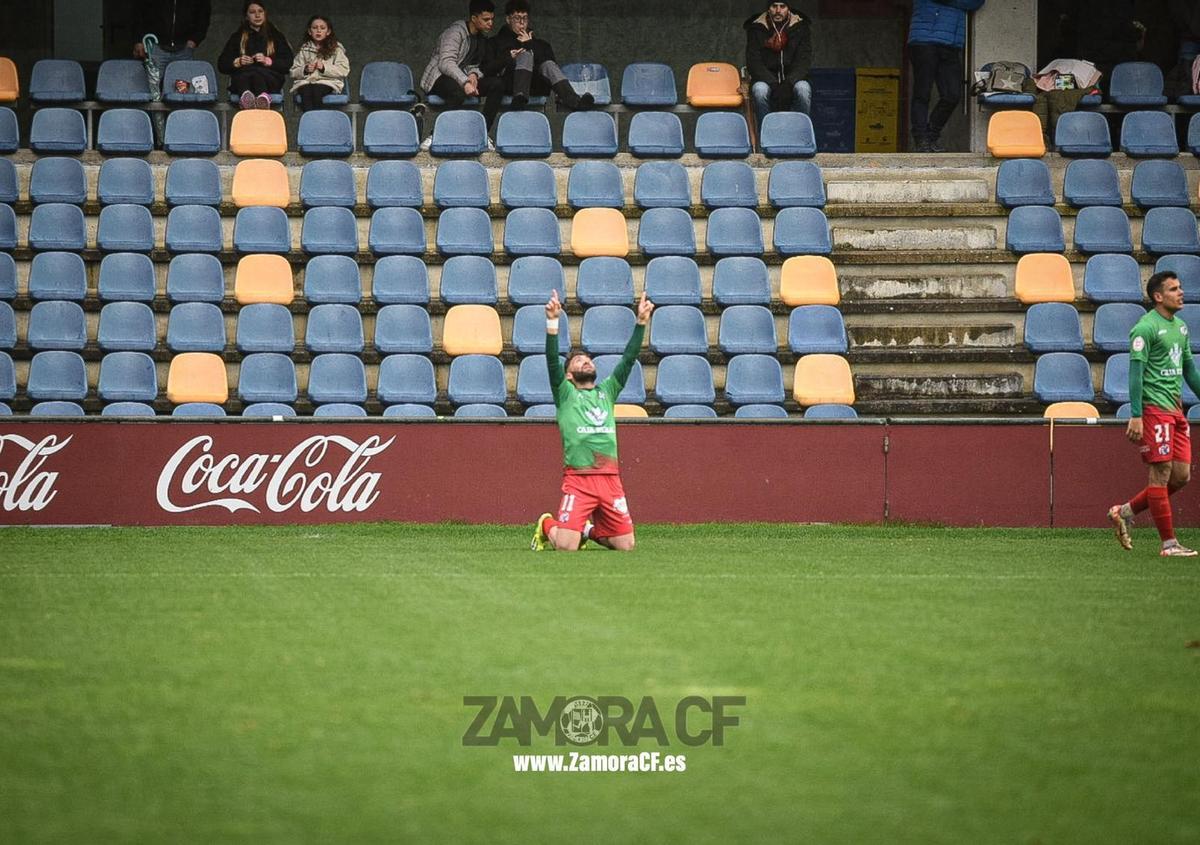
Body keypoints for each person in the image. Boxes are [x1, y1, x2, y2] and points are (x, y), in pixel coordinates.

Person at [531, 290, 654, 553]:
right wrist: (552, 322)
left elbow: (628, 360)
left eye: (587, 360)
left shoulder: (607, 391)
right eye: (578, 361)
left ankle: (586, 529)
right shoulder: (565, 395)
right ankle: (546, 525)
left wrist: (641, 323)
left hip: (610, 478)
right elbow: (552, 362)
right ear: (568, 376)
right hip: (579, 479)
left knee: (626, 545)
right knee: (566, 546)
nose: (585, 362)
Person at [1109, 271, 1200, 556]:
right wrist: (1136, 414)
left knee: (1181, 476)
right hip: (1153, 409)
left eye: (1180, 288)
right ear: (1158, 297)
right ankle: (1169, 544)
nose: (1181, 292)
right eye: (1174, 289)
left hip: (1175, 410)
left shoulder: (1181, 328)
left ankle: (1124, 511)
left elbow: (1189, 370)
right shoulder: (1145, 328)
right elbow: (1135, 373)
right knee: (1160, 475)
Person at [481, 0, 593, 111]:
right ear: (508, 19)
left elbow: (549, 66)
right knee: (525, 55)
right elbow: (486, 70)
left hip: (535, 85)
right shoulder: (494, 42)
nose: (521, 23)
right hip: (509, 84)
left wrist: (529, 44)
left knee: (547, 63)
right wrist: (508, 58)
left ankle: (575, 102)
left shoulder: (541, 44)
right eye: (517, 18)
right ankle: (519, 97)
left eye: (524, 18)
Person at [420, 0, 506, 143]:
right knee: (458, 94)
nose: (490, 23)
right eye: (486, 19)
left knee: (497, 84)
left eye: (492, 19)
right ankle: (435, 136)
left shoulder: (481, 39)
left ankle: (482, 133)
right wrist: (465, 82)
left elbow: (473, 64)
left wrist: (473, 75)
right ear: (473, 18)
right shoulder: (455, 32)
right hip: (438, 78)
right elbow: (445, 62)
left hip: (460, 78)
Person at [907, 0, 985, 152]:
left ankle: (930, 135)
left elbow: (975, 3)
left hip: (951, 45)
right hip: (924, 41)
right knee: (922, 94)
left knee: (952, 95)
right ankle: (921, 138)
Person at [131, 0, 211, 140]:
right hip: (156, 46)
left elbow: (204, 15)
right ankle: (158, 139)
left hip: (184, 48)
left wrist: (195, 39)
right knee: (154, 94)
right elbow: (139, 12)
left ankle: (182, 137)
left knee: (184, 93)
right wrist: (139, 39)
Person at [743, 1, 813, 133]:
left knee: (803, 89)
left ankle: (800, 135)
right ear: (768, 8)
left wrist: (788, 83)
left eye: (782, 6)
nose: (778, 10)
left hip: (793, 79)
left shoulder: (801, 27)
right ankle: (767, 135)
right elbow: (753, 62)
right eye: (774, 6)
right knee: (759, 90)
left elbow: (804, 61)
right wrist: (773, 84)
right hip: (766, 79)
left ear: (788, 8)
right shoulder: (756, 27)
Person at [217, 1, 294, 110]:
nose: (257, 15)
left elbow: (289, 63)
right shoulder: (238, 37)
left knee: (257, 73)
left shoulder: (276, 36)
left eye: (260, 11)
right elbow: (222, 64)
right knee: (246, 74)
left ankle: (260, 99)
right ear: (246, 16)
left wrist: (269, 61)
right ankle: (248, 98)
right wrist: (238, 61)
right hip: (244, 80)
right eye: (252, 12)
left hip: (269, 79)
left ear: (265, 14)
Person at [290, 15, 350, 112]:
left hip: (327, 82)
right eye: (315, 28)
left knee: (317, 90)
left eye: (322, 28)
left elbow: (343, 69)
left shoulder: (336, 49)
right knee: (305, 91)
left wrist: (324, 68)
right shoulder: (304, 49)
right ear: (310, 31)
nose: (318, 31)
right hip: (307, 82)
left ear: (328, 32)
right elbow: (293, 71)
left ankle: (319, 122)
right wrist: (305, 69)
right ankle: (310, 121)